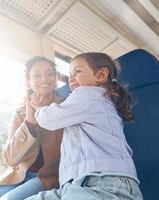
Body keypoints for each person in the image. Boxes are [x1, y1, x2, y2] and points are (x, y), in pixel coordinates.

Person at [26, 52, 143, 200]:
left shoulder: (87, 94)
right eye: (69, 75)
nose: (71, 79)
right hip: (79, 185)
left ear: (101, 75)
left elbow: (49, 119)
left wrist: (40, 108)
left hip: (102, 184)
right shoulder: (101, 101)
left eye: (77, 72)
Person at [0, 56, 63, 200]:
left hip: (47, 178)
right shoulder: (21, 112)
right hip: (19, 175)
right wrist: (29, 122)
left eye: (49, 73)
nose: (44, 79)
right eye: (37, 75)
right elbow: (10, 159)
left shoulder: (65, 108)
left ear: (55, 78)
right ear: (28, 81)